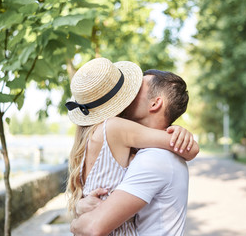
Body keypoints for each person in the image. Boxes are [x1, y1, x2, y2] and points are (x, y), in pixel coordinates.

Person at [65, 58, 199, 235]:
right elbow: (190, 150)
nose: (129, 91)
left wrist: (76, 220)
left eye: (137, 88)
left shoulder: (154, 156)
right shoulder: (116, 131)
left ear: (155, 103)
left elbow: (92, 225)